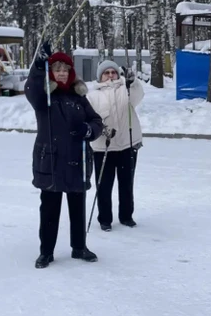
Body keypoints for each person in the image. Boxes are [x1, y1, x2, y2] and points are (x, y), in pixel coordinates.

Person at [25, 42, 106, 268]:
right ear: (51, 72)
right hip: (51, 160)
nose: (61, 73)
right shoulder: (43, 96)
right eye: (57, 69)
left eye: (65, 69)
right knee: (49, 209)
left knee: (77, 207)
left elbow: (96, 121)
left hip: (77, 160)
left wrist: (88, 130)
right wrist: (38, 65)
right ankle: (46, 252)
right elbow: (31, 88)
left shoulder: (78, 96)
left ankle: (79, 247)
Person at [86, 59, 144, 231]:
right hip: (103, 147)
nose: (110, 75)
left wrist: (133, 82)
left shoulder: (125, 89)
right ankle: (105, 219)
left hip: (127, 144)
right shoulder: (92, 96)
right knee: (104, 185)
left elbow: (138, 96)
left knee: (126, 184)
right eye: (106, 73)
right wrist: (101, 130)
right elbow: (90, 118)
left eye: (113, 72)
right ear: (100, 76)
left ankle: (126, 216)